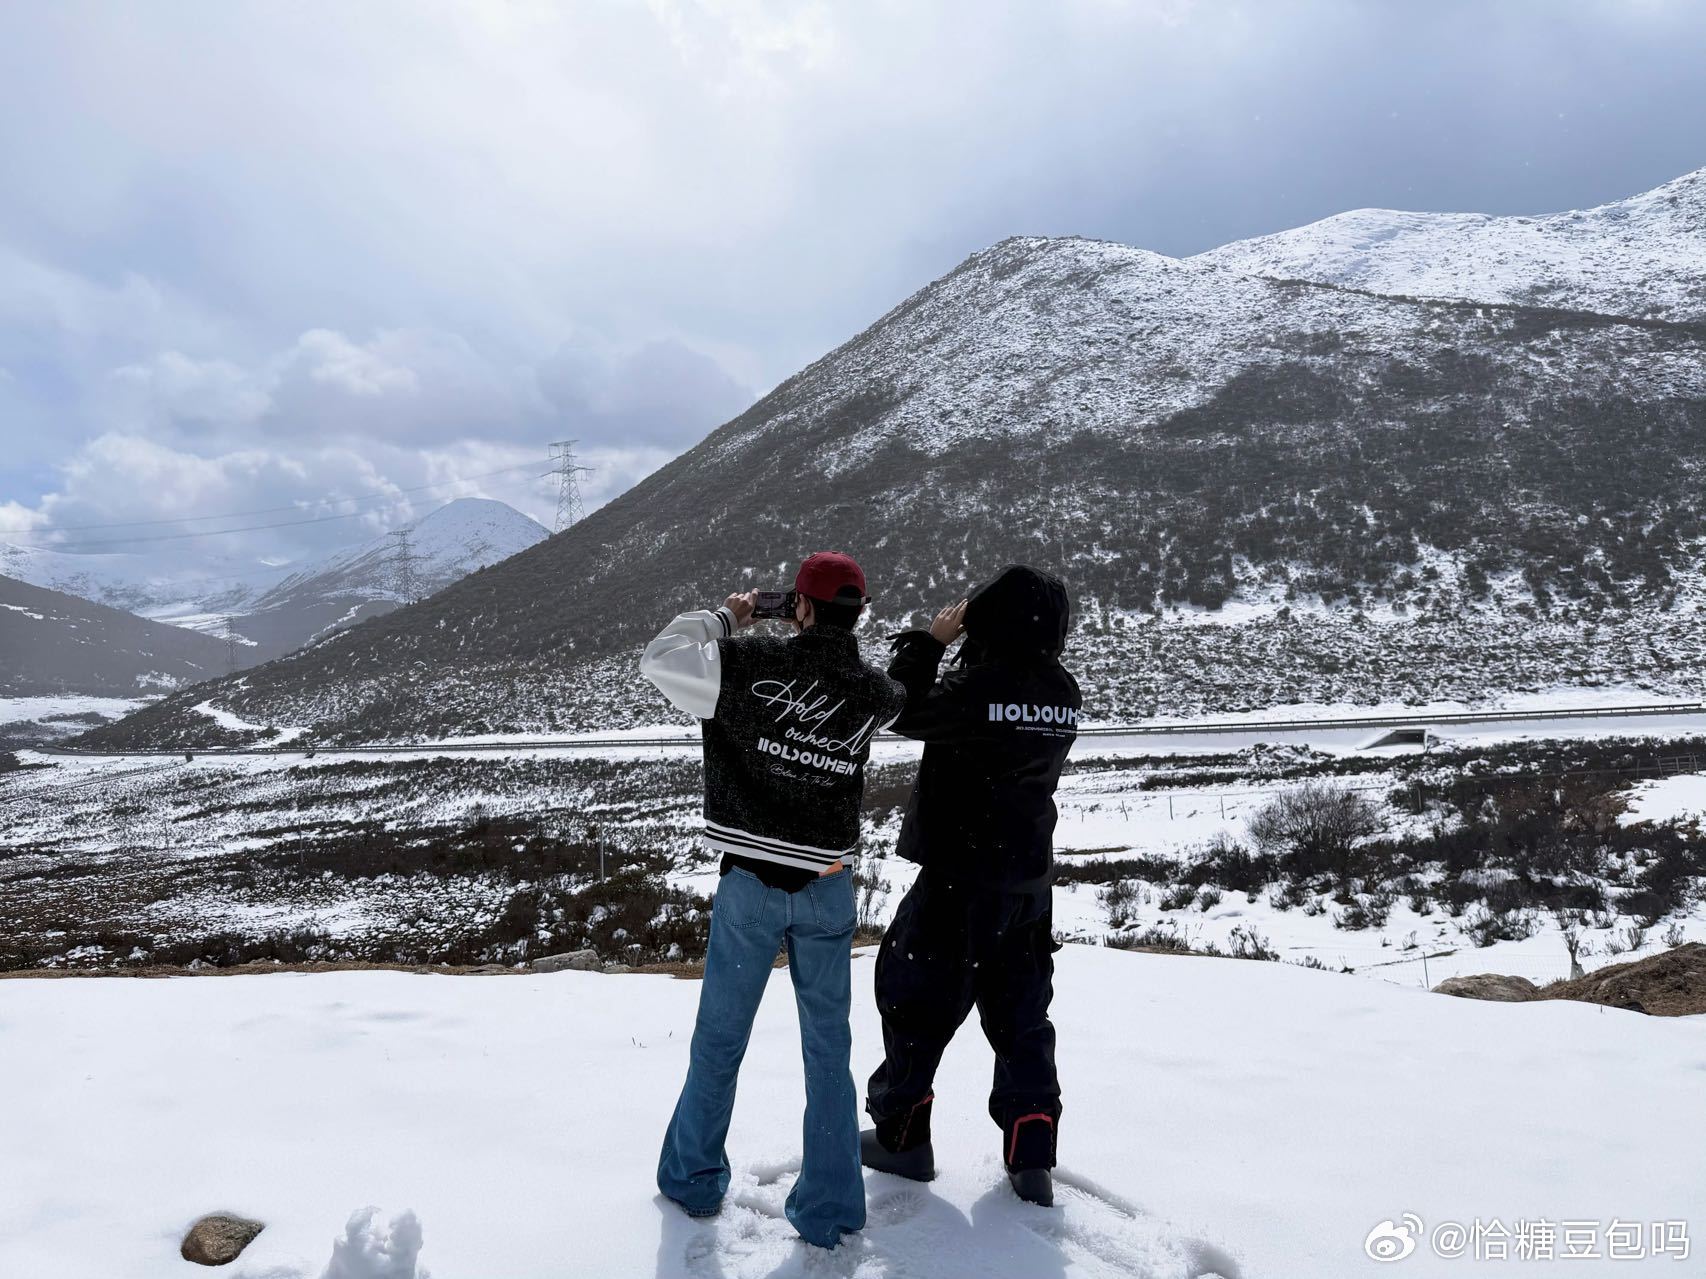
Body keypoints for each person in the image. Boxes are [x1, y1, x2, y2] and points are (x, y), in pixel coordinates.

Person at [642, 551, 905, 1250]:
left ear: (802, 606)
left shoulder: (747, 664)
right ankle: (830, 1209)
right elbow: (898, 692)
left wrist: (729, 615)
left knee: (721, 1041)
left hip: (752, 883)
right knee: (828, 1053)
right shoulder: (871, 693)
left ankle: (694, 1177)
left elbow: (662, 658)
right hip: (827, 886)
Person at [859, 564, 1081, 1207]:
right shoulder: (1060, 688)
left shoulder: (976, 687)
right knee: (1022, 1014)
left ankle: (902, 1136)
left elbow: (896, 709)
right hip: (1029, 881)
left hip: (961, 876)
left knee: (913, 999)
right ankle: (1031, 1151)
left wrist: (928, 643)